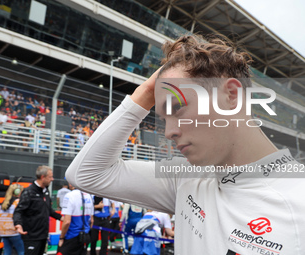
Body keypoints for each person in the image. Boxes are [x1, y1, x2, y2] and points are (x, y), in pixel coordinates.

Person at [65, 34, 305, 254]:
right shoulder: (185, 178)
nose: (169, 132)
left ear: (231, 96)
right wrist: (145, 93)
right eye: (163, 118)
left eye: (178, 108)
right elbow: (87, 174)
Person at [13, 165, 63, 255]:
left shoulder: (46, 191)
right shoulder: (29, 192)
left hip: (43, 236)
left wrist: (61, 218)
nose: (53, 179)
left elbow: (48, 210)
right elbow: (18, 211)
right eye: (50, 177)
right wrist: (18, 224)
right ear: (42, 177)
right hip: (31, 237)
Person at [56, 184, 94, 255]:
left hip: (71, 236)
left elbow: (67, 222)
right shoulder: (89, 196)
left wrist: (61, 238)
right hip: (85, 237)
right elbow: (92, 221)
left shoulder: (69, 196)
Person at [0, 184, 25, 255]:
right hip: (13, 231)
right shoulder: (18, 202)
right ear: (18, 192)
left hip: (3, 232)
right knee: (21, 251)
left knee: (7, 251)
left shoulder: (3, 203)